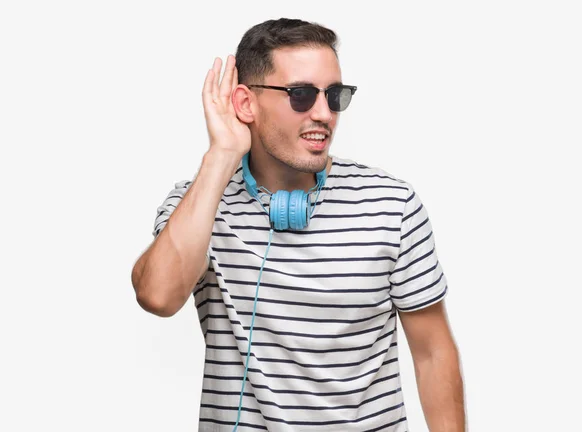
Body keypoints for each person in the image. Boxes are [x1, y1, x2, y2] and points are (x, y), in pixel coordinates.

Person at [131, 17, 465, 432]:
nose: (325, 113)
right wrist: (221, 156)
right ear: (244, 103)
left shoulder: (392, 204)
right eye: (302, 95)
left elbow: (433, 352)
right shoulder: (199, 202)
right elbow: (157, 297)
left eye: (335, 95)